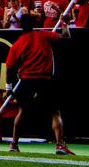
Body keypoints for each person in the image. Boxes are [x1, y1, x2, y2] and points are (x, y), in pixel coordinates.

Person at [5, 13, 73, 156]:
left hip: (26, 81)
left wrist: (8, 87)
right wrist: (64, 24)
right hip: (44, 80)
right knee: (54, 112)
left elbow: (10, 68)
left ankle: (14, 144)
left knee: (22, 112)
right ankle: (60, 145)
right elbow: (66, 37)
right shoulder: (44, 35)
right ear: (34, 24)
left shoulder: (17, 44)